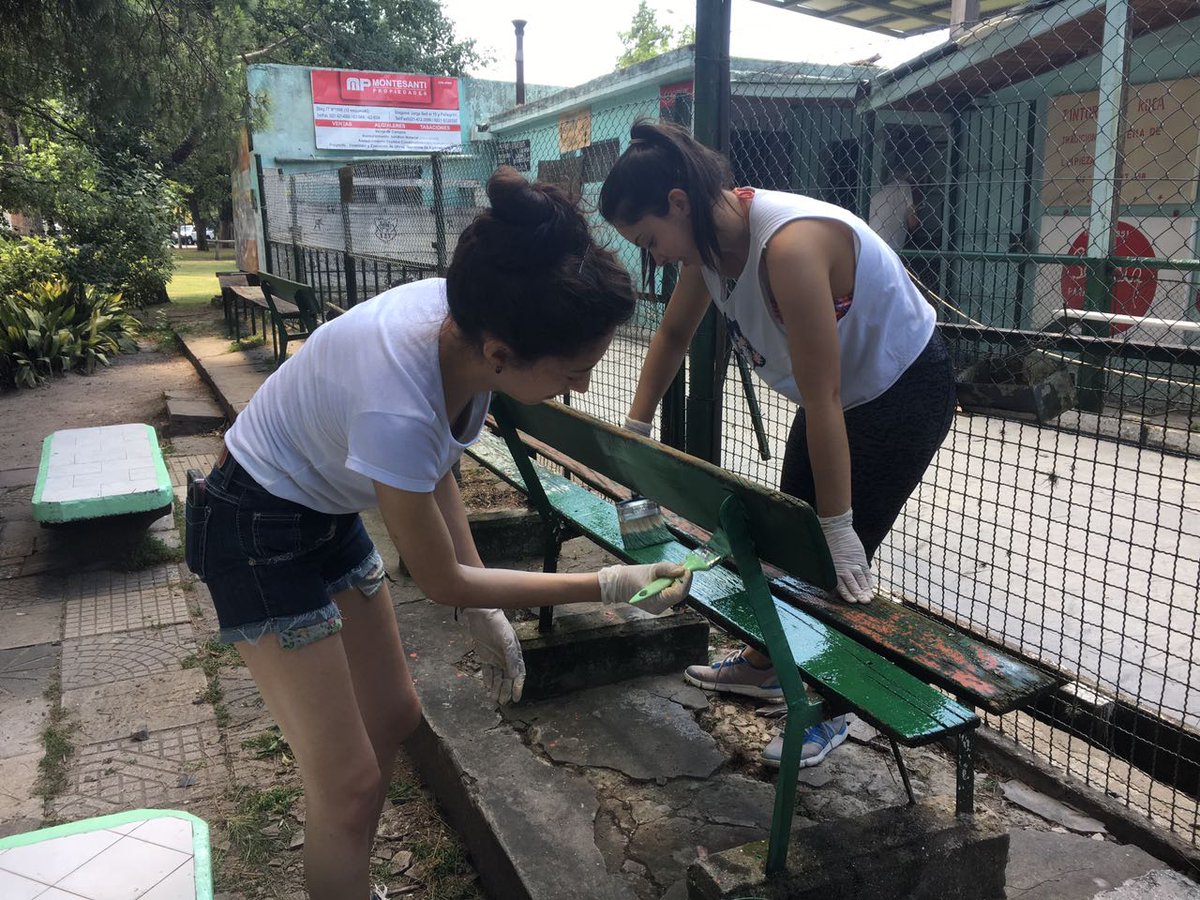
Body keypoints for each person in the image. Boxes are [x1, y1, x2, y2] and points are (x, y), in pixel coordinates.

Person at [188, 167, 692, 900]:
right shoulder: (400, 395)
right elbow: (439, 578)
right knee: (351, 784)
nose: (581, 388)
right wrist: (609, 584)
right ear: (499, 355)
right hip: (252, 527)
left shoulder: (475, 315)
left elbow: (436, 470)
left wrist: (485, 600)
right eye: (575, 371)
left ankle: (348, 875)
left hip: (318, 506)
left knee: (393, 714)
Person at [598, 120, 956, 769]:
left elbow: (822, 399)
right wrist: (636, 430)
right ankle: (766, 665)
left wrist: (842, 526)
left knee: (831, 566)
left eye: (649, 239)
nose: (654, 256)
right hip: (839, 399)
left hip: (901, 391)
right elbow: (674, 336)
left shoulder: (787, 248)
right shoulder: (706, 253)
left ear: (678, 202)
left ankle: (830, 708)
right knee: (784, 542)